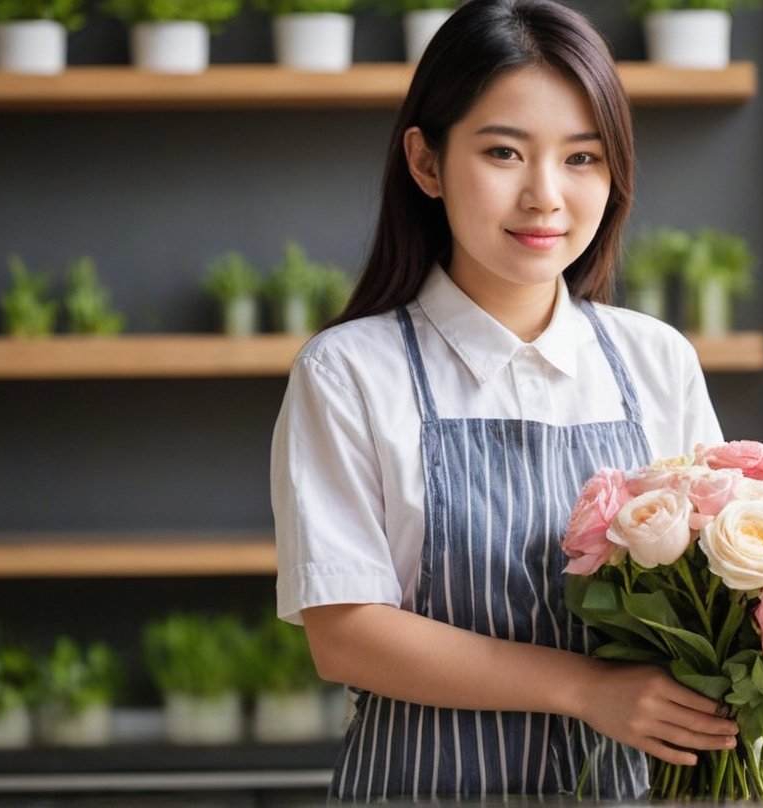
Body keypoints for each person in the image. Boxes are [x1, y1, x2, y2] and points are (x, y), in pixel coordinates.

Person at [270, 0, 737, 798]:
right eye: (503, 152)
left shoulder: (656, 360)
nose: (545, 196)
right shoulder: (348, 371)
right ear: (426, 163)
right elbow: (346, 635)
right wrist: (587, 690)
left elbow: (716, 594)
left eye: (582, 158)